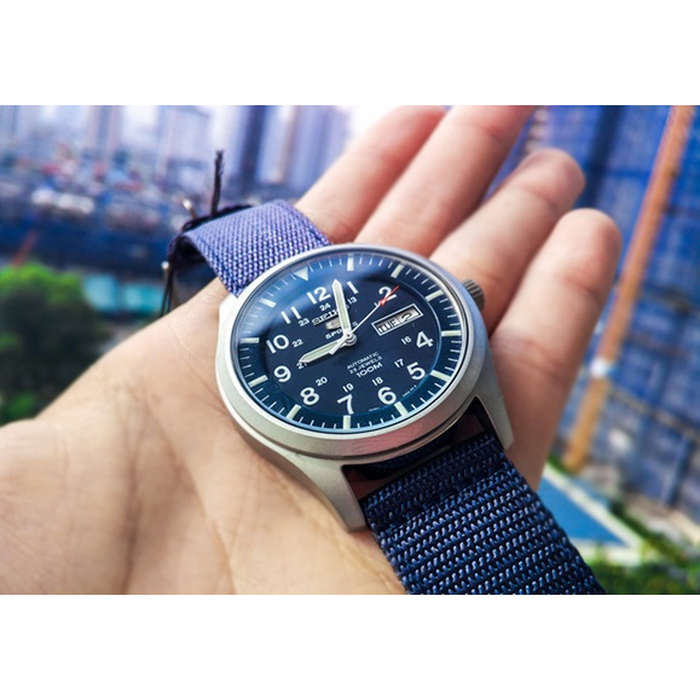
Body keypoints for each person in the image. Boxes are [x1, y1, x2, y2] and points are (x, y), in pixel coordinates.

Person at [0, 106, 621, 593]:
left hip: (449, 421)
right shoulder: (257, 342)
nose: (347, 340)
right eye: (339, 338)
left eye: (348, 331)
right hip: (369, 457)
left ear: (461, 299)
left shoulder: (440, 353)